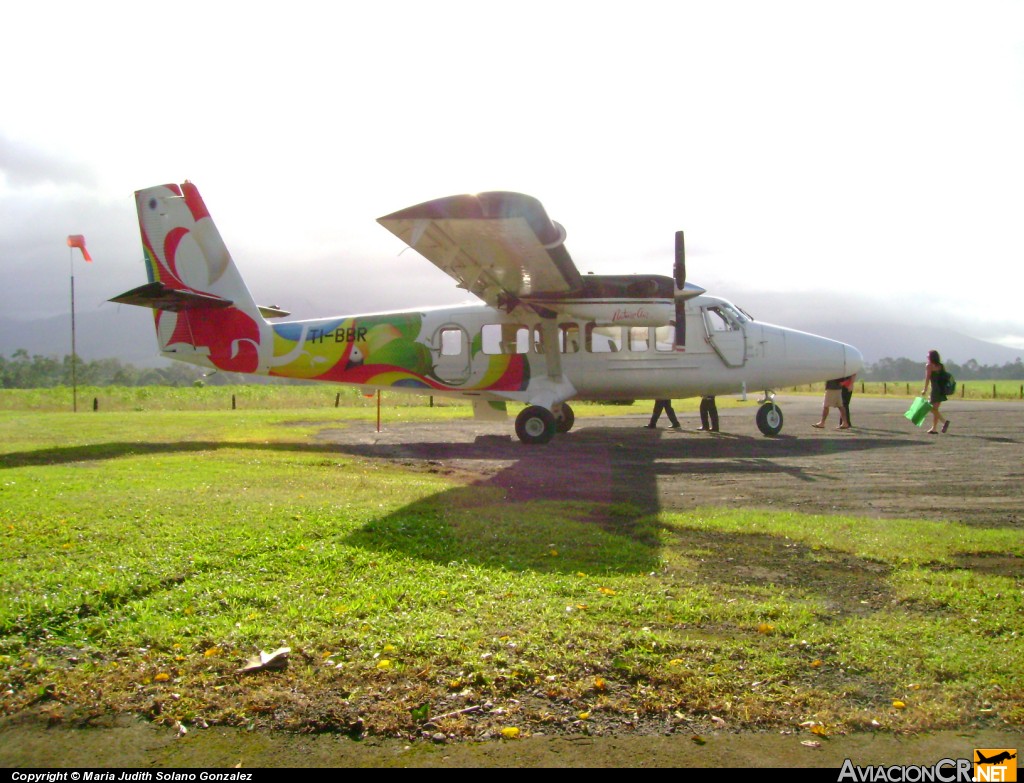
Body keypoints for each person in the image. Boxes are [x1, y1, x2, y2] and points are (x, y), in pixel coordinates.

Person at [922, 349, 950, 434]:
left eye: (928, 355)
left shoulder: (929, 365)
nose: (927, 356)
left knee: (930, 408)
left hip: (935, 389)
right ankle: (934, 428)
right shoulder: (940, 366)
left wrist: (925, 389)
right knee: (935, 409)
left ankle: (944, 421)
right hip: (941, 389)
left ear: (930, 357)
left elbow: (927, 378)